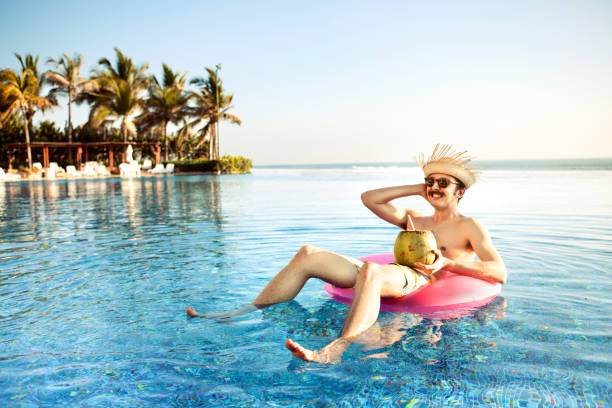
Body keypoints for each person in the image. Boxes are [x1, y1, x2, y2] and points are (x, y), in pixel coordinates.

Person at [186, 144, 507, 364]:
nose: (435, 188)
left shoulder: (469, 226)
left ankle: (335, 349)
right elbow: (370, 198)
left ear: (460, 191)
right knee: (308, 253)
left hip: (422, 277)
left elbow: (499, 271)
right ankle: (240, 312)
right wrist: (415, 188)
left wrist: (449, 262)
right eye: (430, 182)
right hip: (394, 271)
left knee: (370, 272)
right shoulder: (414, 217)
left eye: (443, 183)